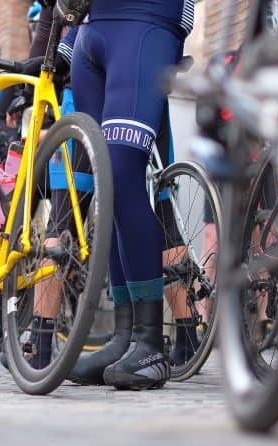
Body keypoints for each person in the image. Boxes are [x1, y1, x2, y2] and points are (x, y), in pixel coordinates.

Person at [65, 0, 196, 390]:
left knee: (122, 173)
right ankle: (125, 336)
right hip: (89, 29)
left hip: (145, 21)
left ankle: (151, 342)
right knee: (106, 186)